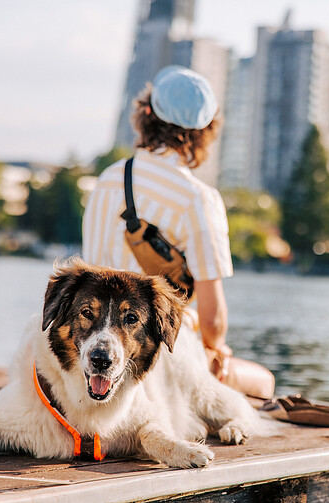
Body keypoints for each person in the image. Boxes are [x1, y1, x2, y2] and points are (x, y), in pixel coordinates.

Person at [82, 66, 274, 399]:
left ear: (145, 113)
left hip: (95, 349)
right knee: (263, 382)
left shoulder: (108, 179)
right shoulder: (200, 199)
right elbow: (213, 321)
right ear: (206, 132)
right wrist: (218, 352)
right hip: (156, 358)